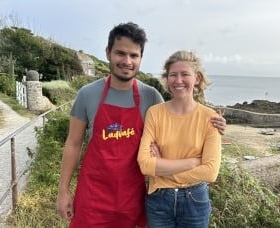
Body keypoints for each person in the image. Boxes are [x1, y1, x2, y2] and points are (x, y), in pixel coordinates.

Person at [56, 22, 226, 227]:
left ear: (140, 58)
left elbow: (175, 126)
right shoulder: (87, 94)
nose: (127, 61)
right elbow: (73, 144)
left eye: (134, 55)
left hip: (132, 198)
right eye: (120, 53)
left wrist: (215, 123)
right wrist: (63, 191)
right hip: (93, 196)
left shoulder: (151, 97)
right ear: (108, 53)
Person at [137, 50, 222, 228]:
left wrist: (160, 166)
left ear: (197, 78)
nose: (178, 80)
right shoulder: (155, 113)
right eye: (173, 75)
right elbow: (145, 164)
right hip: (158, 199)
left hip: (195, 201)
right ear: (167, 79)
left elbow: (210, 172)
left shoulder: (210, 117)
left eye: (185, 74)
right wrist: (193, 162)